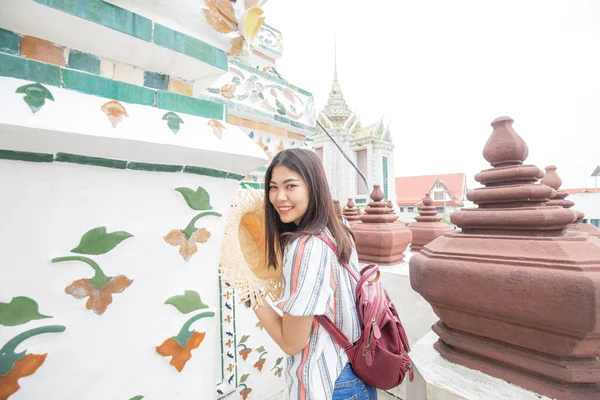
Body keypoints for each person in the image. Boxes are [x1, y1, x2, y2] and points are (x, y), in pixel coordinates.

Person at [252, 149, 377, 400]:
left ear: (313, 187)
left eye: (290, 186)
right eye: (273, 187)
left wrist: (251, 295)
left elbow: (291, 342)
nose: (279, 197)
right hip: (357, 374)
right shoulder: (339, 228)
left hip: (330, 384)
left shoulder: (306, 247)